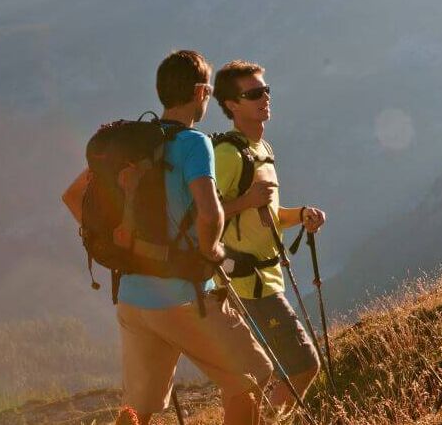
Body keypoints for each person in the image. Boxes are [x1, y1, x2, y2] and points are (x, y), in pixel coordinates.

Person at [61, 50, 273, 425]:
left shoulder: (133, 143)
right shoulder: (194, 143)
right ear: (200, 92)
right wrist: (212, 251)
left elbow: (73, 196)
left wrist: (121, 245)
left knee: (137, 409)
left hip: (132, 297)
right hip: (182, 296)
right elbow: (210, 212)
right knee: (251, 377)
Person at [211, 59, 326, 412]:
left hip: (265, 277)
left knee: (267, 373)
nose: (265, 98)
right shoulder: (228, 154)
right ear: (231, 104)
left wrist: (300, 215)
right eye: (254, 93)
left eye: (266, 90)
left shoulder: (263, 149)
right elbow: (199, 215)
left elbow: (267, 215)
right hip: (247, 282)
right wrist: (246, 199)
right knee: (304, 364)